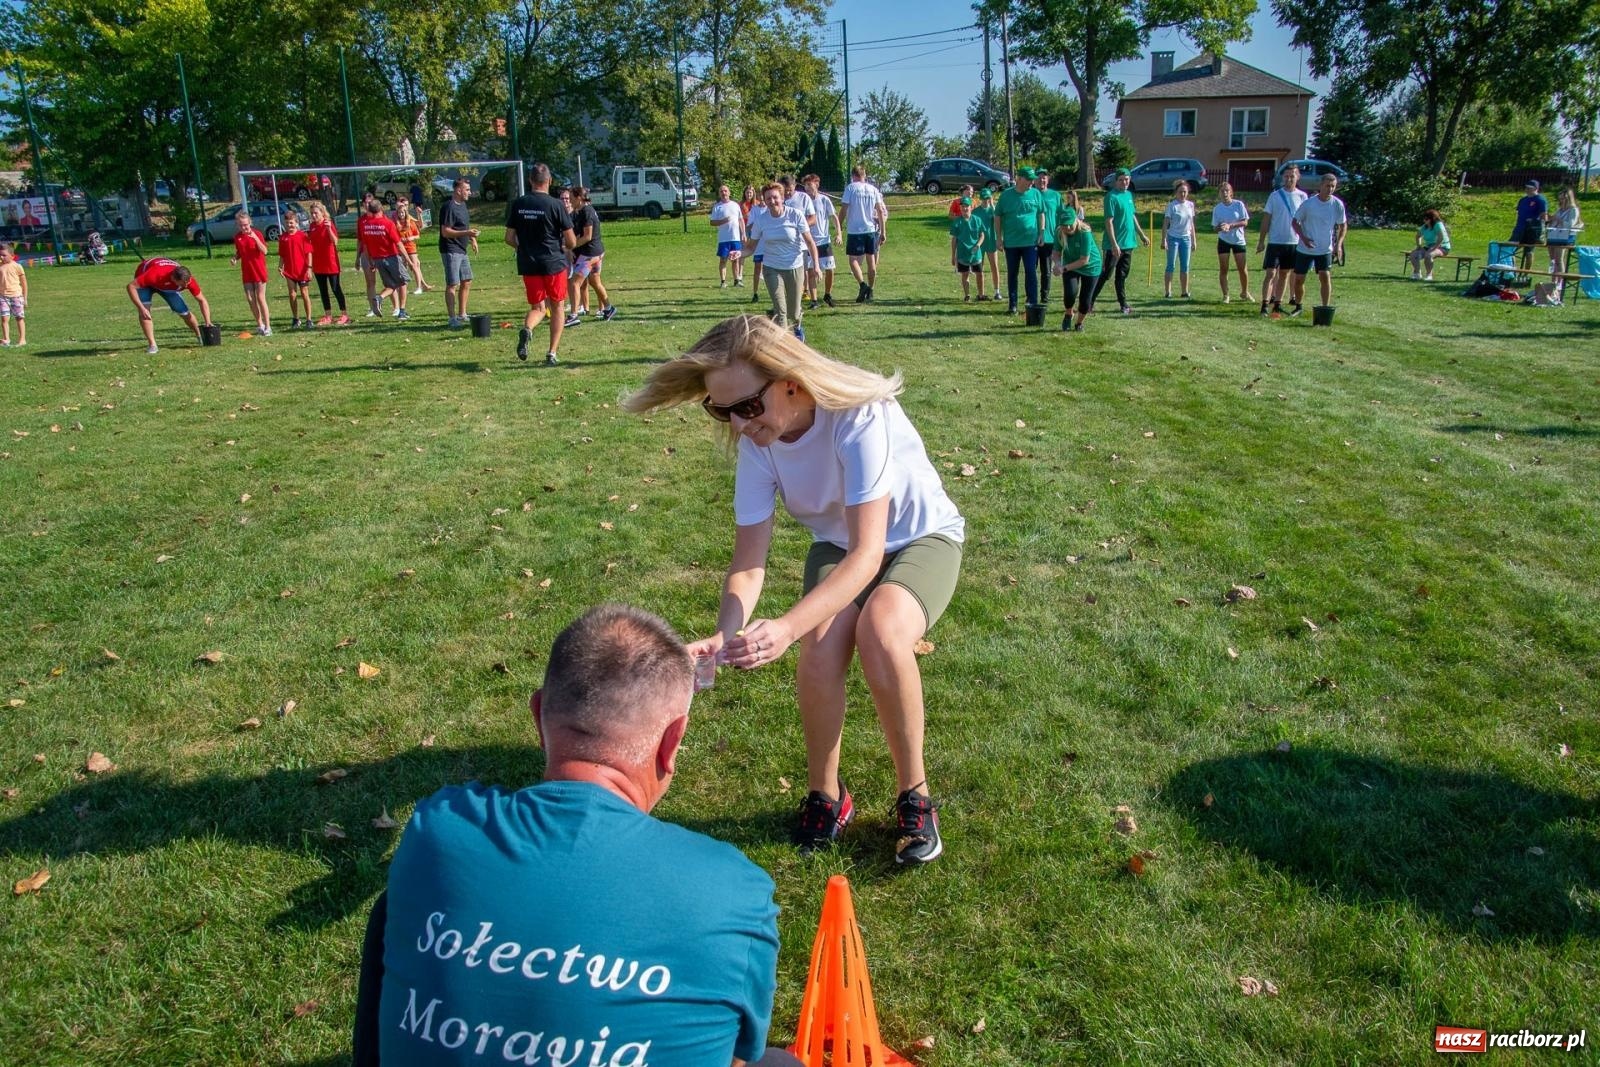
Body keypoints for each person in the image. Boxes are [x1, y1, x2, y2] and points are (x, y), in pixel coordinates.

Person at [352, 604, 795, 1067]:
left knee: (392, 908)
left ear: (539, 713)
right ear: (672, 741)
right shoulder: (734, 894)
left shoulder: (437, 831)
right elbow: (737, 1053)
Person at [622, 315, 965, 865]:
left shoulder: (857, 416)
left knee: (882, 630)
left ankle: (915, 797)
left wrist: (783, 626)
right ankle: (827, 796)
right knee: (819, 649)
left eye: (747, 407)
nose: (737, 424)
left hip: (919, 538)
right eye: (721, 410)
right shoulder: (759, 441)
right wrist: (724, 633)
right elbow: (749, 564)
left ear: (793, 383)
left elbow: (869, 554)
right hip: (841, 544)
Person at [505, 162, 576, 365]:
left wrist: (523, 247)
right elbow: (571, 241)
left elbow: (509, 237)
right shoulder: (556, 205)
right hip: (553, 263)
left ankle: (527, 329)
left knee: (537, 307)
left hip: (529, 263)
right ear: (549, 181)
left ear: (530, 181)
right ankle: (551, 353)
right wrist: (561, 247)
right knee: (558, 306)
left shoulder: (519, 204)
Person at [745, 182, 820, 340]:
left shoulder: (795, 215)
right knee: (781, 310)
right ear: (764, 200)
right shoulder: (761, 220)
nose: (772, 201)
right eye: (768, 198)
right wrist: (738, 253)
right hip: (772, 267)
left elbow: (810, 242)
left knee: (793, 311)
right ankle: (784, 342)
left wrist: (817, 266)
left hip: (794, 266)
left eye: (775, 197)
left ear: (782, 197)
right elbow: (751, 247)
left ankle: (798, 324)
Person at [127, 256, 214, 355]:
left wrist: (208, 322)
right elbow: (131, 286)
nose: (186, 287)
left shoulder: (188, 281)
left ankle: (200, 337)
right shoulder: (154, 274)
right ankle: (152, 345)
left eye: (187, 283)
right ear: (173, 278)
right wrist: (141, 308)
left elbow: (202, 300)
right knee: (145, 312)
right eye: (182, 285)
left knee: (183, 311)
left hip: (166, 285)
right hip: (146, 282)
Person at [1091, 167, 1148, 315]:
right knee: (1106, 275)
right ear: (1116, 181)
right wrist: (1114, 244)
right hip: (1113, 245)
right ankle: (1089, 302)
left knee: (1121, 275)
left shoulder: (1129, 195)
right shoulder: (1111, 197)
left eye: (1127, 180)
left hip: (1129, 243)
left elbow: (1132, 216)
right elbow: (1108, 222)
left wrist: (1142, 235)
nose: (1124, 182)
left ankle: (1123, 305)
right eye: (1121, 180)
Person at [1291, 173, 1348, 312]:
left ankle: (1324, 307)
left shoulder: (1337, 204)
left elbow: (1343, 225)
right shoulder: (1309, 204)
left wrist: (1338, 245)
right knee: (1299, 279)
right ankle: (1298, 306)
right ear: (1320, 186)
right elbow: (1295, 222)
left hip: (1325, 249)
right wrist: (1304, 238)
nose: (1330, 189)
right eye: (1327, 186)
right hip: (1305, 248)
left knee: (1325, 276)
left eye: (1333, 186)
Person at [1256, 165, 1307, 317]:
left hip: (1293, 241)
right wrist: (1261, 240)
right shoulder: (1275, 196)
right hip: (1276, 241)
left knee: (1285, 274)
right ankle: (1265, 304)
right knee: (1271, 273)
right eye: (1286, 176)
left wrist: (1305, 239)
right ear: (1282, 178)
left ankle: (1278, 303)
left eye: (1292, 176)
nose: (1289, 179)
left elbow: (1305, 220)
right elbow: (1266, 218)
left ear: (1297, 178)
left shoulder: (1302, 196)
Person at [994, 167, 1045, 315]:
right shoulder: (1006, 195)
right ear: (1019, 178)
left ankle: (1032, 304)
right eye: (1029, 179)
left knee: (1031, 272)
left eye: (1032, 179)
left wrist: (1041, 232)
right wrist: (998, 237)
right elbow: (998, 217)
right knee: (1012, 273)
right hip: (1011, 242)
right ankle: (1013, 305)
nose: (1032, 182)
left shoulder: (1035, 194)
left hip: (1030, 241)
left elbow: (1041, 213)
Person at [565, 186, 616, 328]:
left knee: (575, 283)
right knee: (594, 282)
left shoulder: (587, 211)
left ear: (579, 198)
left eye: (571, 198)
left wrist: (571, 246)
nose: (569, 201)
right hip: (595, 253)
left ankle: (573, 315)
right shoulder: (579, 211)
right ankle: (608, 308)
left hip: (590, 254)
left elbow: (587, 236)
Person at [357, 197, 410, 320]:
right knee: (403, 282)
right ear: (381, 208)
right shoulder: (387, 223)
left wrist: (371, 261)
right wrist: (409, 260)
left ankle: (378, 298)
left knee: (391, 284)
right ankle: (401, 311)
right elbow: (398, 243)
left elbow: (365, 246)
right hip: (391, 257)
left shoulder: (366, 226)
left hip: (377, 259)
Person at [840, 166, 888, 302]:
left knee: (853, 260)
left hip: (855, 230)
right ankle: (871, 290)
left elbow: (844, 209)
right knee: (871, 260)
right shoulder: (873, 189)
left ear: (853, 175)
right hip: (871, 229)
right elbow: (880, 212)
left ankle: (862, 285)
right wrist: (883, 231)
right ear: (864, 175)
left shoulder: (851, 188)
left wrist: (839, 226)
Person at [438, 177, 480, 329]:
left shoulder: (462, 206)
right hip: (451, 250)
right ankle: (452, 318)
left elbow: (463, 227)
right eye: (467, 190)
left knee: (467, 280)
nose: (469, 192)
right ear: (458, 190)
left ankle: (462, 314)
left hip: (462, 250)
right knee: (452, 283)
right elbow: (446, 232)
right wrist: (467, 232)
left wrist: (471, 239)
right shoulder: (449, 207)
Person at [1054, 206, 1101, 332]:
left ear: (1075, 220)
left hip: (1091, 267)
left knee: (1085, 300)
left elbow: (1084, 260)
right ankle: (1069, 314)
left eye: (1069, 224)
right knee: (1070, 293)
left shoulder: (1085, 233)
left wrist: (1063, 268)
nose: (1067, 228)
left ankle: (1079, 323)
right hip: (1070, 265)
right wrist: (1058, 264)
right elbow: (1056, 252)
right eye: (1064, 225)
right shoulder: (1059, 232)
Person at [306, 201, 349, 326]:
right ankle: (328, 315)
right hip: (318, 262)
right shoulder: (312, 226)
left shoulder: (328, 224)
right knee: (323, 290)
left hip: (330, 262)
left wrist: (329, 228)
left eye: (316, 213)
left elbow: (335, 241)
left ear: (322, 213)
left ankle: (344, 314)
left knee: (335, 288)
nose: (314, 215)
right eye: (312, 213)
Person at [231, 210, 272, 336]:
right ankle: (260, 324)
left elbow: (265, 251)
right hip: (247, 271)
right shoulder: (238, 237)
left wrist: (255, 238)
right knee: (250, 298)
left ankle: (268, 327)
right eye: (241, 225)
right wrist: (235, 258)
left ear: (250, 223)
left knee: (260, 298)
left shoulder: (257, 234)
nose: (244, 228)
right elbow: (240, 252)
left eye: (246, 225)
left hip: (258, 270)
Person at [802, 174, 840, 309]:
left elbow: (834, 217)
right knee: (811, 271)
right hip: (809, 241)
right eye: (805, 185)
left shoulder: (824, 200)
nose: (807, 187)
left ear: (816, 184)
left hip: (824, 240)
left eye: (809, 184)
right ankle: (813, 300)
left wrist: (839, 234)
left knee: (829, 268)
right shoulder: (803, 201)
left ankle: (827, 294)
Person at [1210, 182, 1252, 303]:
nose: (1225, 193)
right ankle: (1226, 295)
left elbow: (1245, 222)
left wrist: (1231, 225)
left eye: (1227, 190)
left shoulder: (1238, 205)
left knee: (1242, 268)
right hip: (1224, 240)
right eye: (1222, 191)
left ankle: (1245, 292)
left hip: (1238, 240)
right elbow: (1214, 228)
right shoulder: (1217, 209)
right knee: (1224, 269)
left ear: (1231, 192)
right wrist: (1221, 227)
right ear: (1219, 193)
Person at [276, 210, 313, 329]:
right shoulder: (283, 238)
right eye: (287, 223)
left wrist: (309, 268)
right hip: (290, 271)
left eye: (291, 223)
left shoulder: (302, 236)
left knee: (304, 294)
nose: (289, 225)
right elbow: (282, 254)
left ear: (296, 223)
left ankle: (309, 319)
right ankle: (296, 318)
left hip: (302, 270)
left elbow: (309, 253)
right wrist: (280, 266)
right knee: (292, 295)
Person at [1161, 180, 1197, 299]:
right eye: (1180, 192)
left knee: (1185, 266)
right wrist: (1163, 240)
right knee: (1171, 265)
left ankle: (1184, 291)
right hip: (1173, 238)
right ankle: (1168, 292)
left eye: (1185, 192)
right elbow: (1166, 223)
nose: (1183, 194)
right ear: (1176, 193)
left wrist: (1194, 240)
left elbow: (1191, 224)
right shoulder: (1172, 206)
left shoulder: (1190, 205)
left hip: (1186, 239)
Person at [391, 195, 432, 296]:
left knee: (415, 265)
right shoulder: (394, 217)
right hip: (401, 247)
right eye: (403, 205)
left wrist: (419, 214)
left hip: (410, 247)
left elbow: (420, 226)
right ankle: (418, 285)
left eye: (406, 205)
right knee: (408, 266)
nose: (405, 207)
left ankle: (421, 286)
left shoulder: (409, 218)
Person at [948, 196, 986, 301]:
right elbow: (954, 240)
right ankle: (967, 295)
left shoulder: (977, 220)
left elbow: (982, 235)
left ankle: (981, 295)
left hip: (975, 252)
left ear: (971, 207)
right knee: (965, 275)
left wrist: (978, 245)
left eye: (967, 206)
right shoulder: (957, 222)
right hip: (962, 253)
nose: (965, 208)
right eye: (963, 206)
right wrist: (953, 256)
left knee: (980, 273)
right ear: (960, 208)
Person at [709, 184, 745, 288]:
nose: (724, 193)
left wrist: (743, 233)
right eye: (721, 191)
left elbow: (741, 219)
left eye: (725, 191)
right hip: (723, 239)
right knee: (723, 260)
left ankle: (737, 280)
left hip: (735, 238)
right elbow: (712, 222)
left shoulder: (735, 205)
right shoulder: (717, 207)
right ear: (719, 194)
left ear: (729, 193)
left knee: (735, 259)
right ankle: (723, 281)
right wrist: (722, 221)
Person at [1035, 169, 1062, 306]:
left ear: (1048, 180)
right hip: (1032, 238)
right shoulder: (1030, 194)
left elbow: (1061, 215)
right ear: (1034, 180)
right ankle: (1031, 295)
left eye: (1044, 178)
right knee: (1031, 270)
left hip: (1050, 238)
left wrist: (1060, 236)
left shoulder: (1055, 195)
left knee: (1046, 270)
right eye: (1039, 178)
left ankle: (1044, 296)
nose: (1041, 180)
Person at [1546, 186, 1582, 281]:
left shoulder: (1573, 210)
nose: (1561, 201)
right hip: (1554, 235)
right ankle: (1553, 281)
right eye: (1560, 199)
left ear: (1568, 198)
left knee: (1559, 260)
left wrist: (1559, 219)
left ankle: (1560, 282)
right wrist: (1550, 219)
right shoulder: (1559, 210)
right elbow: (1554, 222)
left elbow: (1570, 224)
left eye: (1563, 199)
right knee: (1553, 260)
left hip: (1565, 237)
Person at [1510, 178, 1548, 270]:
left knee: (1529, 251)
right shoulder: (1523, 200)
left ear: (1536, 188)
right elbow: (1519, 213)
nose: (1527, 190)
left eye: (1530, 188)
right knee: (1510, 249)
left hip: (1532, 229)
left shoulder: (1540, 200)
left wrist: (1539, 225)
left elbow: (1543, 215)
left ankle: (1526, 272)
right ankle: (1513, 270)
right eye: (1526, 187)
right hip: (1519, 228)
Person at [1408, 209, 1451, 281]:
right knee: (1413, 255)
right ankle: (1417, 274)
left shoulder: (1438, 224)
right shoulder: (1425, 226)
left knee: (1428, 255)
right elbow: (1418, 236)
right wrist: (1419, 246)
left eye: (1426, 219)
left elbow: (1441, 238)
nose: (1424, 220)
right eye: (1424, 218)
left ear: (1433, 218)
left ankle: (1429, 276)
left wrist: (1434, 248)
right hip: (1429, 246)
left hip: (1442, 247)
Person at [972, 187, 999, 300]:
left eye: (987, 198)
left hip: (991, 241)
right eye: (984, 198)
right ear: (980, 199)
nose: (985, 200)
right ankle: (981, 293)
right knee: (979, 268)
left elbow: (998, 219)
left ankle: (997, 291)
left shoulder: (993, 210)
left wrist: (992, 205)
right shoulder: (976, 212)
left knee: (994, 266)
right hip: (980, 242)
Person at [0, 243, 28, 347]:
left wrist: (25, 298)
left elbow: (24, 283)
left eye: (4, 255)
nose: (1, 257)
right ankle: (6, 339)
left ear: (12, 256)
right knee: (4, 318)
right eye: (0, 255)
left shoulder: (17, 266)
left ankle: (22, 339)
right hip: (2, 297)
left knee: (19, 318)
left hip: (16, 296)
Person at [740, 184, 762, 299]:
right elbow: (748, 226)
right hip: (755, 239)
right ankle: (755, 292)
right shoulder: (754, 208)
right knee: (756, 266)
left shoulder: (771, 208)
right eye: (762, 195)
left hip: (770, 243)